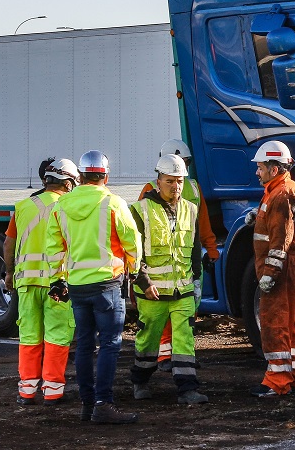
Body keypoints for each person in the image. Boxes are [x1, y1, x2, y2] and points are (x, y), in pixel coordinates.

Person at [47, 150, 142, 424]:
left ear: (80, 177)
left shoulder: (61, 205)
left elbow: (54, 247)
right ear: (105, 176)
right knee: (110, 344)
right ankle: (103, 404)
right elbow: (131, 241)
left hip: (77, 286)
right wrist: (135, 271)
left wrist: (58, 278)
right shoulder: (113, 203)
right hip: (107, 285)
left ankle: (88, 405)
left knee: (85, 346)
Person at [129, 154, 209, 405]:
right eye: (170, 181)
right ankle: (140, 380)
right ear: (158, 181)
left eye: (180, 182)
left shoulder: (190, 209)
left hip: (182, 290)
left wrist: (196, 281)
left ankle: (187, 389)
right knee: (148, 340)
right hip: (152, 293)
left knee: (184, 339)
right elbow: (132, 252)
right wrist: (143, 282)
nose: (176, 187)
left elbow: (194, 249)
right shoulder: (140, 210)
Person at [3, 158, 79, 405]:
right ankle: (53, 392)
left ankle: (26, 391)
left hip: (26, 284)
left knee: (29, 336)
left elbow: (8, 244)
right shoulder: (69, 207)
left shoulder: (22, 206)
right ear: (68, 184)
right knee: (57, 335)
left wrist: (8, 273)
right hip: (57, 284)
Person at [140, 139, 218, 371]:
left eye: (183, 164)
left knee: (188, 309)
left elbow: (202, 222)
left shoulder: (193, 188)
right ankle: (165, 355)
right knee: (164, 308)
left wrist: (211, 248)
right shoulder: (149, 191)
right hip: (161, 260)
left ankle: (183, 355)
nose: (179, 168)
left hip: (187, 259)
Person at [248, 140, 295, 398]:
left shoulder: (281, 194)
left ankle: (277, 380)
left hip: (282, 268)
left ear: (274, 169)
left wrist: (269, 275)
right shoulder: (288, 189)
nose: (257, 172)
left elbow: (280, 241)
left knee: (275, 322)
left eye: (261, 167)